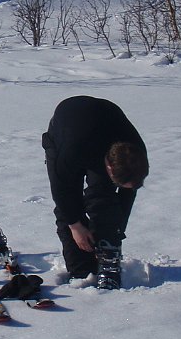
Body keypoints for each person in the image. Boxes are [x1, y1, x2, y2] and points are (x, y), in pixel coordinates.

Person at [41, 96, 149, 279]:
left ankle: (105, 255)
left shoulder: (136, 155)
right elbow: (62, 192)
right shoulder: (69, 152)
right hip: (68, 125)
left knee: (103, 197)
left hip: (104, 125)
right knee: (70, 205)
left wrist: (115, 233)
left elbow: (126, 196)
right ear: (109, 168)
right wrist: (76, 226)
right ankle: (82, 268)